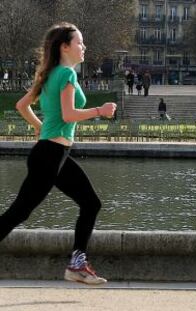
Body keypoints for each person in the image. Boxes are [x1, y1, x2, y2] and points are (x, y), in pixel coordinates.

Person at [0, 22, 116, 285]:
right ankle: (77, 265)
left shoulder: (51, 73)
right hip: (50, 155)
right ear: (65, 47)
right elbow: (68, 115)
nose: (83, 47)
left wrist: (41, 128)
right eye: (79, 42)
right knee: (18, 213)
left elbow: (21, 105)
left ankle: (77, 265)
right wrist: (100, 111)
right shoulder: (66, 75)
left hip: (53, 153)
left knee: (89, 203)